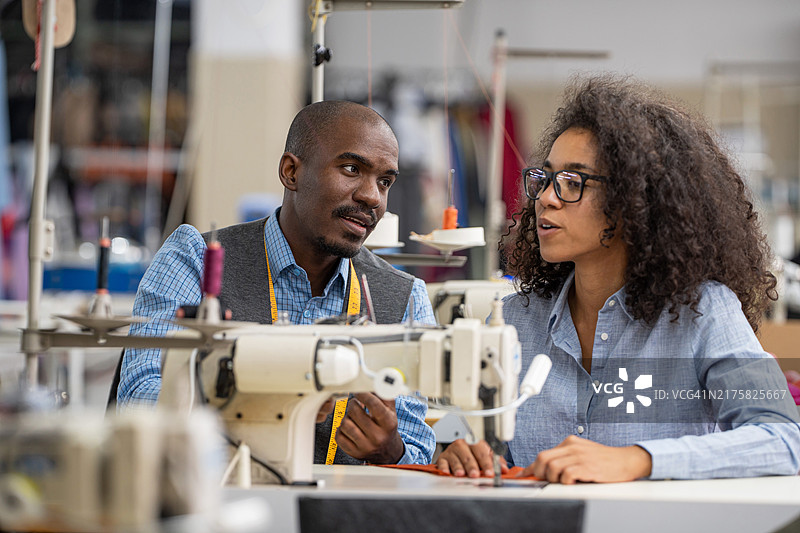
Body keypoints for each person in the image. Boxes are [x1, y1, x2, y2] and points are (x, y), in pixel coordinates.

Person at [437, 75, 800, 483]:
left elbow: (783, 438)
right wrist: (456, 447)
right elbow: (456, 430)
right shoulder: (513, 319)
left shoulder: (704, 311)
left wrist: (637, 460)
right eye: (545, 179)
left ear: (636, 201)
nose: (546, 198)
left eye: (573, 182)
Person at [118, 100, 436, 466]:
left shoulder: (404, 297)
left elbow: (419, 456)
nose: (372, 197)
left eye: (385, 182)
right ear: (291, 172)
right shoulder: (196, 258)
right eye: (351, 169)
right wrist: (264, 401)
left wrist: (390, 451)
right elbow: (141, 401)